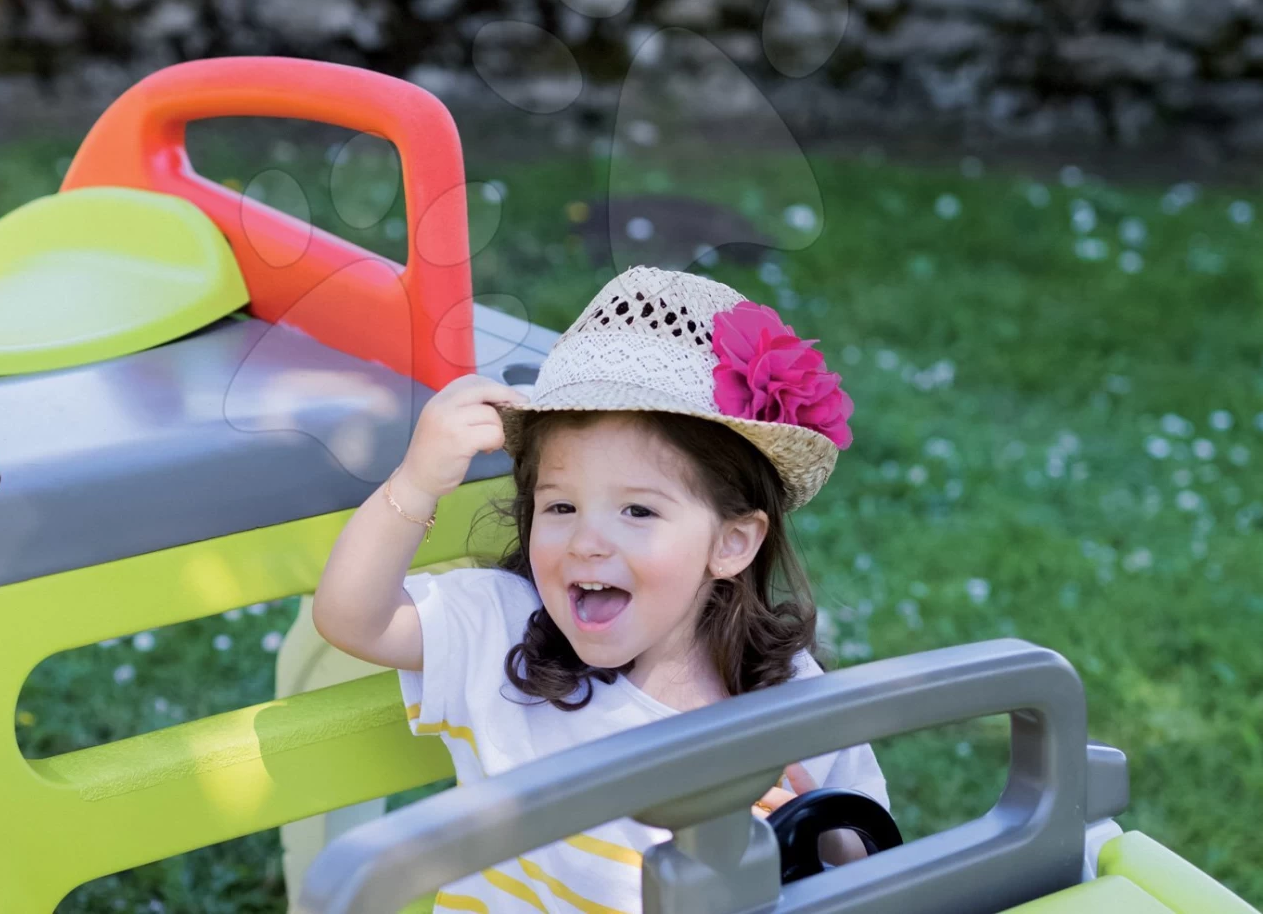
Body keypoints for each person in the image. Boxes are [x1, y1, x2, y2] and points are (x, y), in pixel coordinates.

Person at [313, 264, 889, 912]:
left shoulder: (788, 692)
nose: (587, 540)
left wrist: (811, 825)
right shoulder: (501, 629)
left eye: (638, 511)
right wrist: (417, 482)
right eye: (560, 507)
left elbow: (869, 861)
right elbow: (352, 616)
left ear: (731, 543)